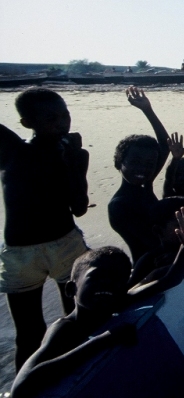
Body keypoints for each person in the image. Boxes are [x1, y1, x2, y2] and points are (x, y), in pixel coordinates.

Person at [11, 208, 184, 397]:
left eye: (117, 281)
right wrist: (105, 340)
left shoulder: (118, 301)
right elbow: (22, 385)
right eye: (97, 277)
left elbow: (169, 280)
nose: (107, 284)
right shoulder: (66, 328)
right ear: (71, 289)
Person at [0, 88, 90, 370]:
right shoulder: (13, 151)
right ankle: (25, 385)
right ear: (28, 123)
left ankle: (76, 374)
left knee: (76, 317)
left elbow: (79, 207)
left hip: (65, 244)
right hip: (20, 253)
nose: (62, 122)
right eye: (51, 117)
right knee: (29, 334)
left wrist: (72, 163)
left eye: (65, 114)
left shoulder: (76, 154)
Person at [108, 87, 170, 264]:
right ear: (120, 163)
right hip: (149, 269)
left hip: (166, 256)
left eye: (149, 164)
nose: (142, 169)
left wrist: (148, 110)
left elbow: (165, 146)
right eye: (134, 162)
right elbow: (155, 244)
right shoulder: (119, 205)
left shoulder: (145, 184)